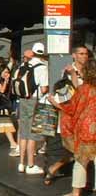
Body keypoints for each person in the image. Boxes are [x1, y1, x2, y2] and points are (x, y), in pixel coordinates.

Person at [48, 59, 96, 196]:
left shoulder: (83, 89)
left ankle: (75, 193)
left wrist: (55, 102)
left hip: (84, 129)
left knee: (81, 161)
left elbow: (71, 108)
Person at [43, 44, 89, 186]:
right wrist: (74, 74)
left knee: (83, 149)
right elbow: (72, 95)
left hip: (86, 115)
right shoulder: (67, 72)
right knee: (76, 150)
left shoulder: (89, 71)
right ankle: (56, 168)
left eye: (86, 54)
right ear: (74, 55)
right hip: (71, 116)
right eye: (81, 53)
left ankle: (82, 180)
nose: (84, 56)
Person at [15, 44, 48, 175]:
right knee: (33, 134)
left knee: (23, 133)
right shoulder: (42, 67)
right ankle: (31, 165)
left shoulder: (23, 65)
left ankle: (21, 164)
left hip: (23, 100)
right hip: (35, 100)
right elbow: (44, 89)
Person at [0, 65, 19, 151]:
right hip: (1, 104)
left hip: (10, 103)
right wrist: (5, 81)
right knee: (6, 123)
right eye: (4, 72)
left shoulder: (11, 81)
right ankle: (12, 143)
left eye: (8, 72)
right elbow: (2, 90)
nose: (6, 74)